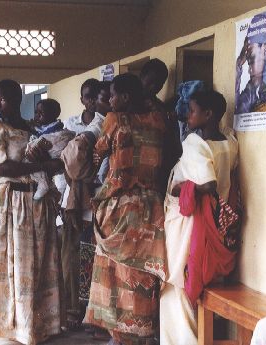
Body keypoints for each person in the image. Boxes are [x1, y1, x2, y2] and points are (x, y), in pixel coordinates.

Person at [84, 73, 167, 345]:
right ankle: (142, 332)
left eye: (113, 95)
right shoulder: (158, 120)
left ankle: (120, 336)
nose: (109, 100)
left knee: (114, 272)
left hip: (121, 206)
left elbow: (98, 154)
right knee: (141, 272)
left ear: (126, 98)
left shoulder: (115, 120)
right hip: (152, 207)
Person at [0, 79, 62, 345]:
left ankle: (39, 324)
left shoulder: (29, 127)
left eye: (2, 99)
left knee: (38, 263)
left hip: (36, 203)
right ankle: (17, 327)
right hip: (12, 203)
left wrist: (49, 164)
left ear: (17, 100)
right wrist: (42, 167)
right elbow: (1, 168)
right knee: (15, 264)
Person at [160, 90, 239, 345]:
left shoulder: (195, 143)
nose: (187, 116)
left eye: (192, 111)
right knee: (192, 279)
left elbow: (207, 184)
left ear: (209, 115)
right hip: (215, 222)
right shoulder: (230, 143)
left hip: (190, 222)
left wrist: (178, 189)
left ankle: (184, 340)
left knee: (177, 282)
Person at [60, 78, 105, 330]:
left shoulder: (103, 123)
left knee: (90, 257)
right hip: (74, 197)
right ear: (82, 99)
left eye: (95, 97)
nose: (91, 101)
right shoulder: (70, 124)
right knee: (71, 257)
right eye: (87, 96)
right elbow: (65, 159)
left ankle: (87, 310)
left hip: (95, 199)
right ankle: (72, 309)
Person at [140, 58, 182, 198]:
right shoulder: (130, 104)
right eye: (150, 81)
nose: (154, 87)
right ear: (142, 77)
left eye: (159, 84)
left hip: (157, 169)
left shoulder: (161, 107)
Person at [26, 98, 74, 200]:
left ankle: (43, 183)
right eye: (36, 112)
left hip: (54, 149)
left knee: (31, 155)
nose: (37, 115)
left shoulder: (55, 127)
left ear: (53, 115)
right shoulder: (41, 127)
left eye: (41, 113)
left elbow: (53, 139)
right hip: (47, 153)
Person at [235, 11, 266, 114]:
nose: (249, 70)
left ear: (265, 49)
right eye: (248, 62)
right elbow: (237, 113)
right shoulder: (253, 89)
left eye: (251, 60)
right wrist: (239, 63)